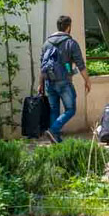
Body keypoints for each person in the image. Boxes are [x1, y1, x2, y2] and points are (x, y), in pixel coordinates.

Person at [39, 15, 91, 143]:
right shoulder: (71, 43)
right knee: (71, 109)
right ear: (68, 27)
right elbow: (80, 64)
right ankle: (53, 130)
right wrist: (87, 81)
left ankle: (55, 140)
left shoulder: (46, 43)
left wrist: (40, 83)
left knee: (54, 110)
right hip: (64, 82)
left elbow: (42, 66)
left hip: (49, 82)